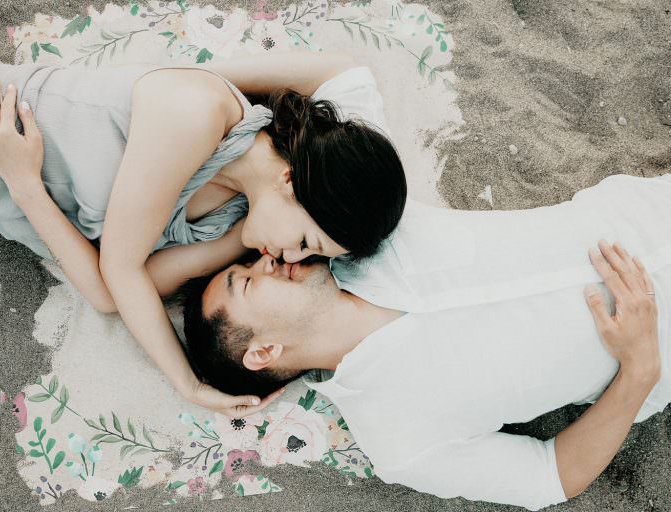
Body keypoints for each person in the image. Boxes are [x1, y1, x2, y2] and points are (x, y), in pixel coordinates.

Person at [0, 48, 407, 416]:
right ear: (292, 181)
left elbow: (107, 294)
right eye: (306, 243)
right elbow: (119, 273)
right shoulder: (198, 109)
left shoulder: (235, 230)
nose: (288, 258)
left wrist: (25, 186)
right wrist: (184, 385)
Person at [182, 172, 671, 510]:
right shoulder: (398, 440)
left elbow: (334, 76)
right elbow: (552, 477)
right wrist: (639, 370)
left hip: (649, 209)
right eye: (246, 281)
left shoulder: (369, 231)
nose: (265, 258)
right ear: (262, 353)